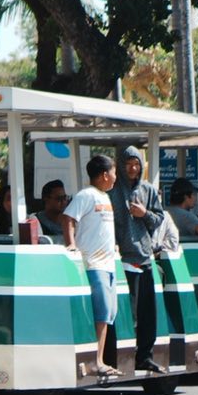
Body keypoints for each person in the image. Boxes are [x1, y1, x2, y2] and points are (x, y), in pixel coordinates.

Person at [64, 154, 122, 378]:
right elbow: (68, 218)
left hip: (108, 264)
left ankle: (100, 359)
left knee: (107, 313)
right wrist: (71, 245)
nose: (116, 177)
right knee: (100, 313)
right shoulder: (86, 195)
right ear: (105, 174)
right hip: (93, 263)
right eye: (114, 172)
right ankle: (95, 360)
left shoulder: (105, 197)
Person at [111, 146, 167, 374]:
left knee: (147, 313)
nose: (133, 168)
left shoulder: (148, 190)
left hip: (144, 258)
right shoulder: (113, 191)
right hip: (121, 258)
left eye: (137, 164)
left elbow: (159, 219)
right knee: (127, 312)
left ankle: (145, 356)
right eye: (128, 164)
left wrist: (144, 214)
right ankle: (123, 357)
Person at [32, 179, 71, 244]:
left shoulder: (71, 219)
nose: (63, 202)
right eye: (59, 198)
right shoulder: (36, 221)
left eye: (65, 197)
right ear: (46, 199)